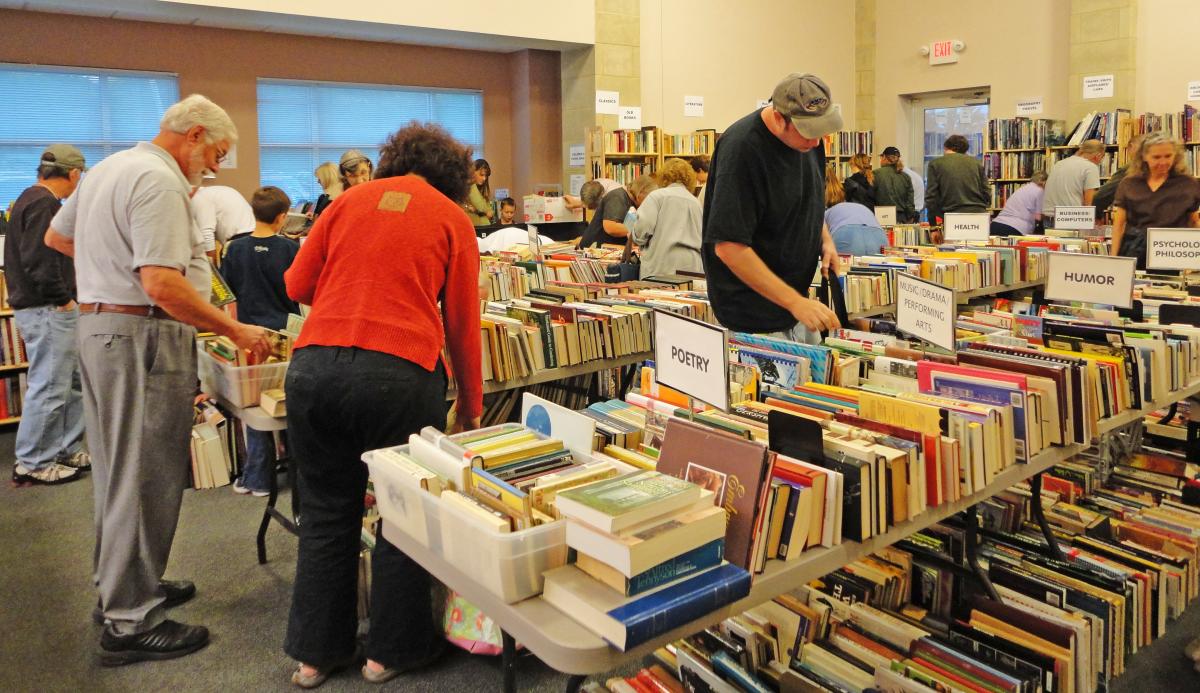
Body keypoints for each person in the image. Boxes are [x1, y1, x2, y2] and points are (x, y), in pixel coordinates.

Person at [45, 94, 272, 665]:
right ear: (193, 135)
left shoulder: (107, 168)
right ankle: (129, 621)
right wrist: (235, 329)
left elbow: (59, 237)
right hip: (139, 334)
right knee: (145, 474)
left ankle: (125, 584)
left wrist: (106, 275)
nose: (215, 168)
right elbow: (162, 285)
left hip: (105, 328)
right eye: (216, 153)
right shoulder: (160, 179)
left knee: (119, 470)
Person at [282, 122, 483, 688]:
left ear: (393, 159)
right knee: (402, 513)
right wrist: (471, 404)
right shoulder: (452, 219)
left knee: (326, 510)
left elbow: (296, 285)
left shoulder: (346, 204)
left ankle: (315, 655)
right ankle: (390, 652)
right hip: (401, 374)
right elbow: (461, 323)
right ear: (454, 175)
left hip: (314, 368)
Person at [702, 72, 842, 344]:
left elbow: (808, 198)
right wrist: (795, 303)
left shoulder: (809, 142)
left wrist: (824, 239)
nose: (816, 142)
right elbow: (729, 247)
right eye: (808, 132)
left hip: (795, 306)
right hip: (754, 317)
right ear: (779, 118)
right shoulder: (741, 149)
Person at [4, 144, 89, 486]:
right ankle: (33, 461)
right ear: (73, 174)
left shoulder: (28, 198)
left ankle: (65, 449)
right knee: (51, 385)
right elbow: (39, 260)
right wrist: (63, 300)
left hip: (46, 307)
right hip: (48, 308)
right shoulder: (44, 204)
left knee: (72, 383)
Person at [219, 186, 300, 497]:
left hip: (249, 337)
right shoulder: (289, 250)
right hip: (284, 335)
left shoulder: (235, 249)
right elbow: (299, 290)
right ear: (282, 217)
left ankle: (258, 478)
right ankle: (296, 472)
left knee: (255, 405)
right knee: (287, 402)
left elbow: (227, 293)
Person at [1110, 132, 1200, 269]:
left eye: (1168, 156)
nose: (1163, 162)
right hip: (1134, 252)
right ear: (1144, 156)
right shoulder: (1129, 184)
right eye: (1156, 157)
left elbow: (1194, 222)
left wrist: (1194, 260)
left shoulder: (1188, 184)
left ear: (1176, 156)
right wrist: (1113, 259)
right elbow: (1119, 225)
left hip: (1173, 253)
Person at [631, 158, 703, 278]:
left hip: (661, 265)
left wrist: (633, 235)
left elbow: (641, 233)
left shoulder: (656, 197)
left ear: (663, 176)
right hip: (692, 266)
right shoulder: (696, 202)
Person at [925, 134, 989, 239]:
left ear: (946, 147)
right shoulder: (977, 163)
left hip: (952, 217)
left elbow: (931, 197)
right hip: (979, 216)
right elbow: (987, 192)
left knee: (954, 248)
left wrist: (933, 227)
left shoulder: (935, 164)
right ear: (965, 150)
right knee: (978, 247)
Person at [578, 176, 658, 248]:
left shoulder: (629, 200)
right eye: (649, 197)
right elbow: (610, 227)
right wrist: (640, 228)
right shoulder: (617, 197)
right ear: (640, 192)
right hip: (593, 251)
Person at [1042, 139, 1104, 228]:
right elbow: (1089, 203)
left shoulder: (1058, 164)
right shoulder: (1091, 167)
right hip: (1072, 220)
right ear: (1098, 156)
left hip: (1048, 219)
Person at [190, 184, 255, 258]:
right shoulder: (214, 191)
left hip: (238, 243)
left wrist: (211, 264)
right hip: (253, 236)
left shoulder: (199, 197)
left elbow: (206, 233)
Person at [990, 171, 1047, 237]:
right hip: (1014, 229)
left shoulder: (1022, 189)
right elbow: (1038, 217)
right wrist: (1050, 215)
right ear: (1043, 182)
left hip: (995, 225)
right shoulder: (1040, 191)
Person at [872, 146, 916, 223]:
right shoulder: (905, 177)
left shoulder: (875, 174)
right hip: (901, 218)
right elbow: (910, 202)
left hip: (881, 217)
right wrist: (910, 216)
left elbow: (870, 197)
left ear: (884, 157)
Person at [464, 158, 494, 226]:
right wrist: (485, 212)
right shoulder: (470, 187)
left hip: (484, 227)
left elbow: (490, 212)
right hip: (474, 227)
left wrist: (476, 210)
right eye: (481, 175)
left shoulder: (482, 190)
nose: (484, 178)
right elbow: (481, 207)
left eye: (486, 176)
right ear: (473, 172)